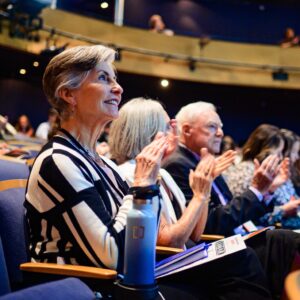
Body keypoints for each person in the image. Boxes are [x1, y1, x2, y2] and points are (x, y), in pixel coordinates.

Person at [24, 46, 271, 300]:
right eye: (103, 78)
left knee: (240, 260)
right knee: (233, 271)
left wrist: (155, 188)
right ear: (68, 94)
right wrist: (143, 186)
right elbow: (113, 255)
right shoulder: (57, 160)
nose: (118, 88)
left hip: (131, 275)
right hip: (89, 287)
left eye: (115, 79)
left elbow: (144, 236)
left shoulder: (103, 164)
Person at [109, 97, 272, 299]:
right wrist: (199, 196)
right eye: (168, 127)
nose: (174, 134)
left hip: (181, 255)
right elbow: (170, 242)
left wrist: (204, 188)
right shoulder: (132, 174)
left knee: (261, 248)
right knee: (243, 259)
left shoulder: (163, 173)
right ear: (147, 133)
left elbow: (195, 233)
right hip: (162, 265)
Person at [162, 101, 300, 299]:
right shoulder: (178, 164)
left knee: (287, 239)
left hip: (237, 236)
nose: (219, 133)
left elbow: (227, 208)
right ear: (186, 130)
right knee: (285, 240)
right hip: (216, 244)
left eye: (221, 127)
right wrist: (257, 190)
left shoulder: (205, 160)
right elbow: (210, 224)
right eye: (212, 127)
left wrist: (267, 190)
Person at [225, 124, 300, 228]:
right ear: (264, 150)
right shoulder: (246, 171)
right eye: (278, 152)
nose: (281, 157)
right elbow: (253, 219)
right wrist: (283, 209)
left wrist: (272, 188)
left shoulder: (260, 171)